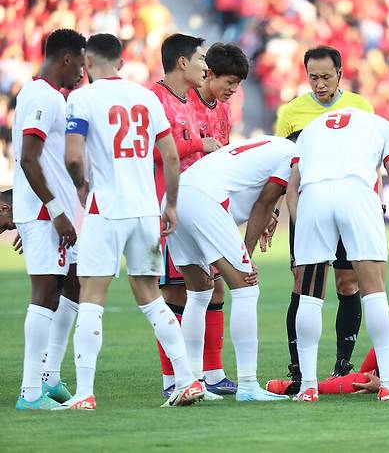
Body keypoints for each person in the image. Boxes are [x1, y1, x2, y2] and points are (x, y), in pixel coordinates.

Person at [59, 33, 203, 409]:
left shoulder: (81, 98)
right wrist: (170, 205)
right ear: (121, 62)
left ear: (88, 63)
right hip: (146, 212)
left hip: (105, 210)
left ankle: (84, 393)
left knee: (91, 297)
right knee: (151, 296)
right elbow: (170, 156)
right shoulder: (145, 96)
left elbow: (74, 156)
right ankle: (187, 379)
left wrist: (81, 185)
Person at [287, 107, 389, 402]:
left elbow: (293, 187)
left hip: (312, 198)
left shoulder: (312, 128)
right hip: (356, 194)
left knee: (309, 297)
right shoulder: (385, 127)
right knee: (374, 293)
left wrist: (302, 224)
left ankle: (307, 386)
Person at [275, 46, 376, 392]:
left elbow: (370, 160)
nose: (319, 84)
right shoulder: (291, 113)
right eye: (313, 77)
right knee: (302, 285)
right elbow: (285, 166)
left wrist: (372, 198)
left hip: (348, 207)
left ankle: (342, 364)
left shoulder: (361, 108)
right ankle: (298, 369)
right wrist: (279, 211)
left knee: (349, 284)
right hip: (307, 210)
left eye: (326, 77)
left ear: (340, 73)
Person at [166, 135, 295, 402]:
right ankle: (248, 386)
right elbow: (264, 203)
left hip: (177, 194)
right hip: (205, 200)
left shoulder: (270, 144)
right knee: (247, 288)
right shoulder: (295, 153)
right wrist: (246, 254)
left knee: (199, 292)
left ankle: (192, 382)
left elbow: (264, 198)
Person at [155, 43, 249, 398]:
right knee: (177, 291)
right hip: (176, 208)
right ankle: (174, 377)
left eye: (238, 84)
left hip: (209, 209)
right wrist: (197, 144)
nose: (232, 90)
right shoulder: (179, 100)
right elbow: (164, 150)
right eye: (229, 81)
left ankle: (213, 373)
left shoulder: (222, 110)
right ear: (207, 72)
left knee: (217, 287)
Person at [11, 29, 86, 410]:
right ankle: (30, 392)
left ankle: (51, 376)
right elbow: (28, 157)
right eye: (81, 63)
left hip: (55, 213)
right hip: (47, 213)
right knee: (45, 293)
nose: (83, 73)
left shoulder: (49, 96)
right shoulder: (42, 96)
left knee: (74, 285)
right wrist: (53, 213)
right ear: (67, 58)